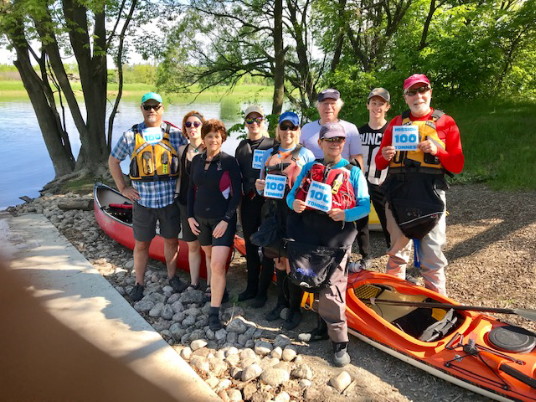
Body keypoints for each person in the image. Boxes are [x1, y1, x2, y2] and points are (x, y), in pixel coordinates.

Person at [286, 122, 370, 367]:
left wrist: (345, 214)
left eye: (339, 140)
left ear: (344, 143)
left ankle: (339, 343)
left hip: (337, 237)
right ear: (320, 143)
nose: (335, 144)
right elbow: (292, 195)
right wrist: (294, 204)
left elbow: (364, 206)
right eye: (330, 140)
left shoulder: (353, 171)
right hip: (310, 233)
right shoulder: (311, 168)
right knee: (313, 280)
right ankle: (320, 328)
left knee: (332, 287)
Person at [375, 74, 464, 295]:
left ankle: (438, 305)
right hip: (398, 194)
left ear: (430, 92)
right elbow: (378, 162)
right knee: (397, 254)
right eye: (412, 92)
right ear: (405, 98)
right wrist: (385, 155)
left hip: (430, 193)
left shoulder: (446, 122)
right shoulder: (396, 122)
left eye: (422, 90)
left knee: (432, 256)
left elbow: (457, 165)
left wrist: (438, 151)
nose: (418, 96)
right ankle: (394, 300)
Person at [108, 92, 188, 301]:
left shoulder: (176, 134)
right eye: (147, 106)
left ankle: (172, 277)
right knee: (142, 244)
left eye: (156, 106)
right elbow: (113, 161)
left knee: (171, 240)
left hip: (169, 201)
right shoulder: (130, 135)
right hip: (143, 202)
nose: (151, 110)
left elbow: (192, 155)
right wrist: (123, 188)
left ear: (162, 109)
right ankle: (139, 283)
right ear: (141, 109)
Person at [254, 111, 315, 329]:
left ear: (298, 131)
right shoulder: (269, 154)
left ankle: (294, 308)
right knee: (278, 260)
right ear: (278, 130)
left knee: (293, 263)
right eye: (284, 127)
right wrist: (259, 187)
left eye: (292, 127)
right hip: (273, 213)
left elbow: (313, 186)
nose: (288, 132)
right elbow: (260, 184)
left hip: (296, 216)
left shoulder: (306, 155)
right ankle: (280, 302)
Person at [187, 119, 241, 330]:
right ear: (204, 138)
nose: (213, 140)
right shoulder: (197, 161)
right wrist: (190, 217)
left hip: (222, 220)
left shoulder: (229, 162)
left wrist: (227, 220)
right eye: (209, 135)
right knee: (209, 257)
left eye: (217, 136)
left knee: (217, 264)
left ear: (222, 138)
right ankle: (221, 290)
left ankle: (214, 312)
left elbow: (236, 194)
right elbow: (191, 190)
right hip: (200, 219)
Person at [234, 105, 276, 307]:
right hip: (248, 201)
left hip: (267, 202)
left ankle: (263, 291)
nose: (254, 124)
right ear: (245, 124)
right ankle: (251, 286)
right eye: (250, 121)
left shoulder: (272, 145)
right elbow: (235, 176)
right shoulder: (241, 147)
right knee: (250, 244)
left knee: (267, 245)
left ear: (264, 121)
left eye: (257, 120)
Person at [352, 88, 392, 272]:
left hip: (383, 182)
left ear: (387, 107)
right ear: (368, 105)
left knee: (388, 221)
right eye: (373, 103)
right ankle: (365, 256)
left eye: (381, 104)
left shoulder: (391, 131)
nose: (377, 107)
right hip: (362, 182)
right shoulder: (358, 132)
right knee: (362, 220)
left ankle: (395, 256)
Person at [176, 111, 206, 290]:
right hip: (185, 204)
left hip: (205, 205)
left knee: (208, 246)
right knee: (192, 245)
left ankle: (212, 283)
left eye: (196, 124)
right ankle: (194, 282)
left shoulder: (210, 148)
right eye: (188, 125)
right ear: (184, 129)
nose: (192, 127)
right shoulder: (181, 150)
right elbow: (179, 176)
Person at [300, 88, 364, 168]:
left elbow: (357, 158)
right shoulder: (306, 129)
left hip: (342, 177)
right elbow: (298, 157)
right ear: (318, 106)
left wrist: (359, 178)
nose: (329, 107)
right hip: (312, 177)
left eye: (332, 103)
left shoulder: (351, 129)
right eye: (325, 103)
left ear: (339, 107)